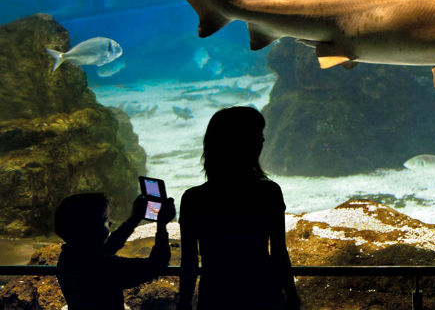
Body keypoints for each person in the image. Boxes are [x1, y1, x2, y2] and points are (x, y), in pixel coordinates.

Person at [177, 106, 300, 310]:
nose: (262, 141)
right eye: (257, 135)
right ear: (243, 143)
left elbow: (189, 262)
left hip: (216, 295)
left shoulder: (193, 198)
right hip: (263, 294)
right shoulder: (268, 192)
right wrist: (292, 297)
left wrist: (184, 303)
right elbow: (279, 253)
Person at [55, 192, 176, 310]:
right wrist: (161, 225)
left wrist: (135, 218)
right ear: (91, 228)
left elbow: (108, 247)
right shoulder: (103, 266)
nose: (110, 222)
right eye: (105, 219)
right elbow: (156, 264)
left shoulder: (68, 257)